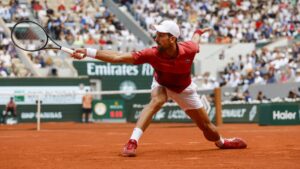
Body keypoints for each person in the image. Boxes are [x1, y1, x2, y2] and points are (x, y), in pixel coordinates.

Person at [71, 20, 247, 157]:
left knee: (209, 130)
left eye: (160, 35)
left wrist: (198, 32)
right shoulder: (152, 53)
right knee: (157, 100)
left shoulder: (190, 49)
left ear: (172, 38)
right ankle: (132, 141)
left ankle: (223, 142)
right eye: (156, 34)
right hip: (161, 84)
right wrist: (87, 51)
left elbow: (195, 40)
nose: (156, 37)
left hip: (185, 89)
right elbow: (117, 57)